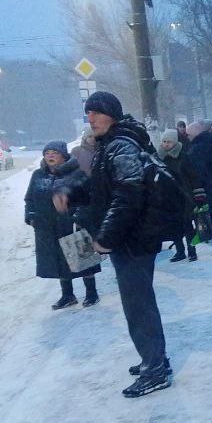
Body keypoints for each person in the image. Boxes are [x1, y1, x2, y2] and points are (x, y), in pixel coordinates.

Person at [54, 91, 172, 398]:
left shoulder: (120, 146)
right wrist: (72, 192)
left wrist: (105, 238)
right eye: (88, 113)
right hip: (132, 238)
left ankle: (155, 369)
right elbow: (103, 190)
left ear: (111, 114)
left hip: (134, 240)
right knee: (139, 303)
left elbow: (127, 197)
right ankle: (154, 359)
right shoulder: (112, 145)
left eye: (95, 112)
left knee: (138, 305)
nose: (90, 118)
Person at [24, 140, 100, 309]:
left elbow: (89, 200)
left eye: (54, 153)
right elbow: (29, 199)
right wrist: (31, 217)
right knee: (59, 260)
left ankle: (91, 293)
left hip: (72, 225)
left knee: (83, 258)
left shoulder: (76, 174)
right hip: (47, 226)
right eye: (47, 153)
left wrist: (78, 217)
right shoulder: (38, 175)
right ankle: (68, 295)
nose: (50, 156)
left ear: (63, 156)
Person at [158, 128, 204, 263]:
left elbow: (194, 177)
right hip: (168, 198)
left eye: (169, 142)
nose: (166, 144)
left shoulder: (184, 157)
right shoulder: (159, 158)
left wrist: (199, 195)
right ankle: (180, 251)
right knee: (174, 226)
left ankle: (192, 251)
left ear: (175, 142)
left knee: (188, 225)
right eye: (164, 141)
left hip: (184, 197)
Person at [186, 120, 212, 240]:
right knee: (211, 208)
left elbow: (199, 168)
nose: (187, 137)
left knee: (209, 208)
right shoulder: (208, 142)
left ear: (194, 134)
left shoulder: (198, 148)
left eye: (189, 134)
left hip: (207, 182)